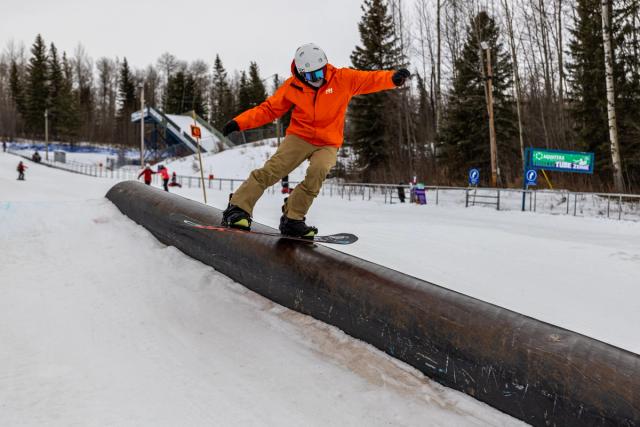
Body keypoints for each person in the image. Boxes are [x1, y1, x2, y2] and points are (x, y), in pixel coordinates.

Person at [220, 43, 411, 238]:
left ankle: (293, 218)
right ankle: (237, 208)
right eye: (312, 76)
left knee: (318, 172)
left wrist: (393, 78)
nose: (318, 79)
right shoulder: (292, 86)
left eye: (321, 73)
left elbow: (370, 79)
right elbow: (269, 110)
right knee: (273, 170)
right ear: (302, 74)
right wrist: (239, 123)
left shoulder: (342, 78)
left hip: (328, 141)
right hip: (300, 136)